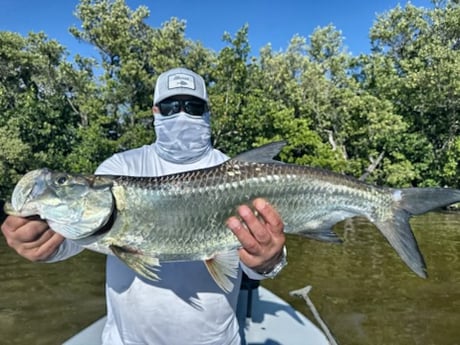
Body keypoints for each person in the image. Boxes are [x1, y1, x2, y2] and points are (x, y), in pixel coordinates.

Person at [1, 67, 287, 345]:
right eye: (171, 105)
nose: (182, 113)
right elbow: (72, 240)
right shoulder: (120, 167)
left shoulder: (241, 174)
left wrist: (268, 260)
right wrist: (43, 243)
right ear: (154, 111)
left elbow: (260, 266)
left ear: (207, 111)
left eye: (193, 105)